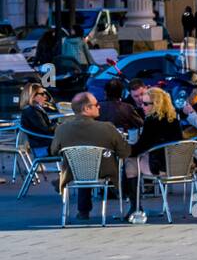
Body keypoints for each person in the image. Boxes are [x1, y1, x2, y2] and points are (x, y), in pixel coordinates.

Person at [49, 92, 130, 220]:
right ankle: (126, 199)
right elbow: (124, 152)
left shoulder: (61, 129)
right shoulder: (107, 128)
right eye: (96, 105)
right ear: (86, 108)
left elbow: (53, 151)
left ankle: (83, 211)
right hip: (104, 172)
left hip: (73, 173)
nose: (99, 107)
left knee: (82, 165)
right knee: (90, 165)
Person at [123, 88, 185, 219]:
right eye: (141, 104)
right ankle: (134, 206)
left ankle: (135, 207)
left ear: (156, 104)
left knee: (129, 162)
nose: (142, 106)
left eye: (146, 104)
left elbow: (141, 147)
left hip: (161, 167)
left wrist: (123, 150)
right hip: (179, 166)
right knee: (135, 159)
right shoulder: (173, 119)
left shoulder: (152, 121)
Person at [19, 82, 56, 156]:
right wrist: (60, 126)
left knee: (71, 140)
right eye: (42, 94)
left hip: (44, 144)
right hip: (42, 148)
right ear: (33, 96)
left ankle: (70, 167)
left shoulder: (33, 109)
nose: (45, 96)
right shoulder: (31, 111)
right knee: (72, 143)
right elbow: (46, 129)